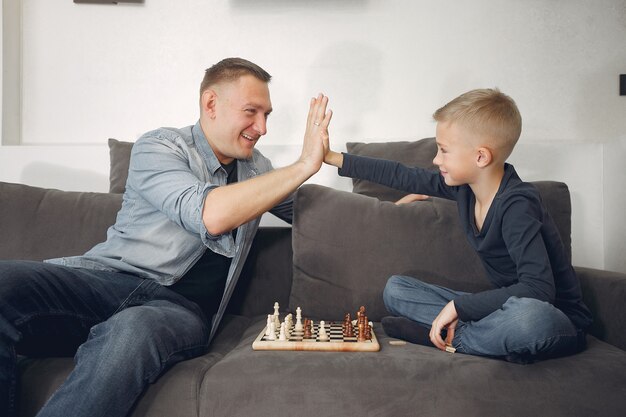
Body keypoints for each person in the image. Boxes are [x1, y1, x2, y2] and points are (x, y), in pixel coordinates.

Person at [0, 57, 332, 417]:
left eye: (267, 114)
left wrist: (395, 206)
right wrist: (302, 165)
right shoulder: (161, 146)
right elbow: (210, 215)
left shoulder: (258, 171)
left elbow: (320, 214)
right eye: (252, 112)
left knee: (132, 330)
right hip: (104, 282)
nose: (263, 127)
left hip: (177, 310)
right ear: (211, 104)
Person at [323, 88, 591, 363]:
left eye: (443, 151)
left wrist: (458, 307)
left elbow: (538, 290)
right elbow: (404, 175)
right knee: (396, 289)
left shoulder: (518, 204)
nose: (436, 160)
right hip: (500, 309)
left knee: (529, 318)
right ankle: (484, 337)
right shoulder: (465, 189)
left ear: (481, 157)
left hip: (556, 319)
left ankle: (457, 339)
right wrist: (333, 157)